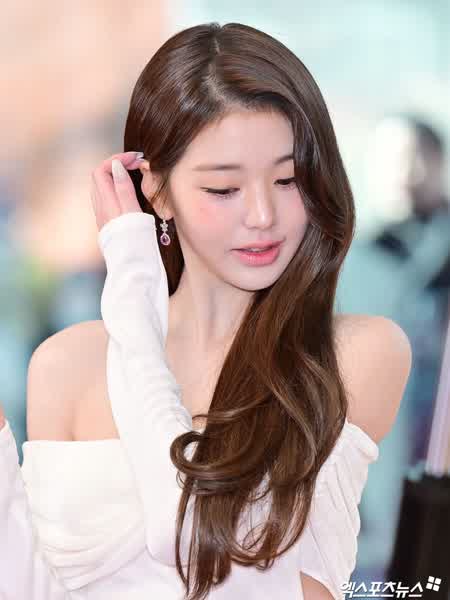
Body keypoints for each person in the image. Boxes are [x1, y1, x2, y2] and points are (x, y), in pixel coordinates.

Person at [0, 22, 412, 600]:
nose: (263, 215)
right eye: (224, 189)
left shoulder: (351, 357)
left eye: (288, 179)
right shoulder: (66, 365)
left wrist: (133, 288)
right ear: (156, 192)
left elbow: (196, 543)